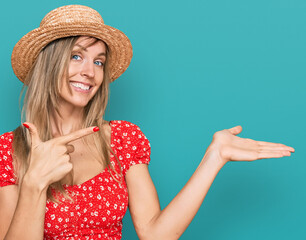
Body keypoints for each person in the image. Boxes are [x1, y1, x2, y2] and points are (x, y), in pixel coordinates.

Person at [0, 5, 294, 240]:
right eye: (76, 56)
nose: (89, 71)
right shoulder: (7, 150)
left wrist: (214, 157)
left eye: (99, 61)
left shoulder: (123, 138)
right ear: (50, 65)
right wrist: (35, 184)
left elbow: (156, 233)